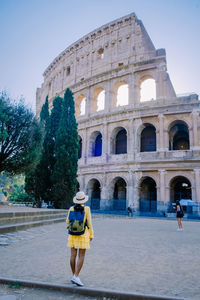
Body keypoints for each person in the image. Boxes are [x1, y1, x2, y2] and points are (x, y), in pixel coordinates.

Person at [66, 191, 94, 286]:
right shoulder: (86, 209)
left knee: (72, 255)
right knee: (81, 256)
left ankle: (74, 275)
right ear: (84, 200)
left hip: (72, 234)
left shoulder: (71, 208)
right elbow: (89, 223)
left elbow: (67, 221)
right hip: (83, 235)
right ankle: (76, 276)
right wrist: (91, 235)